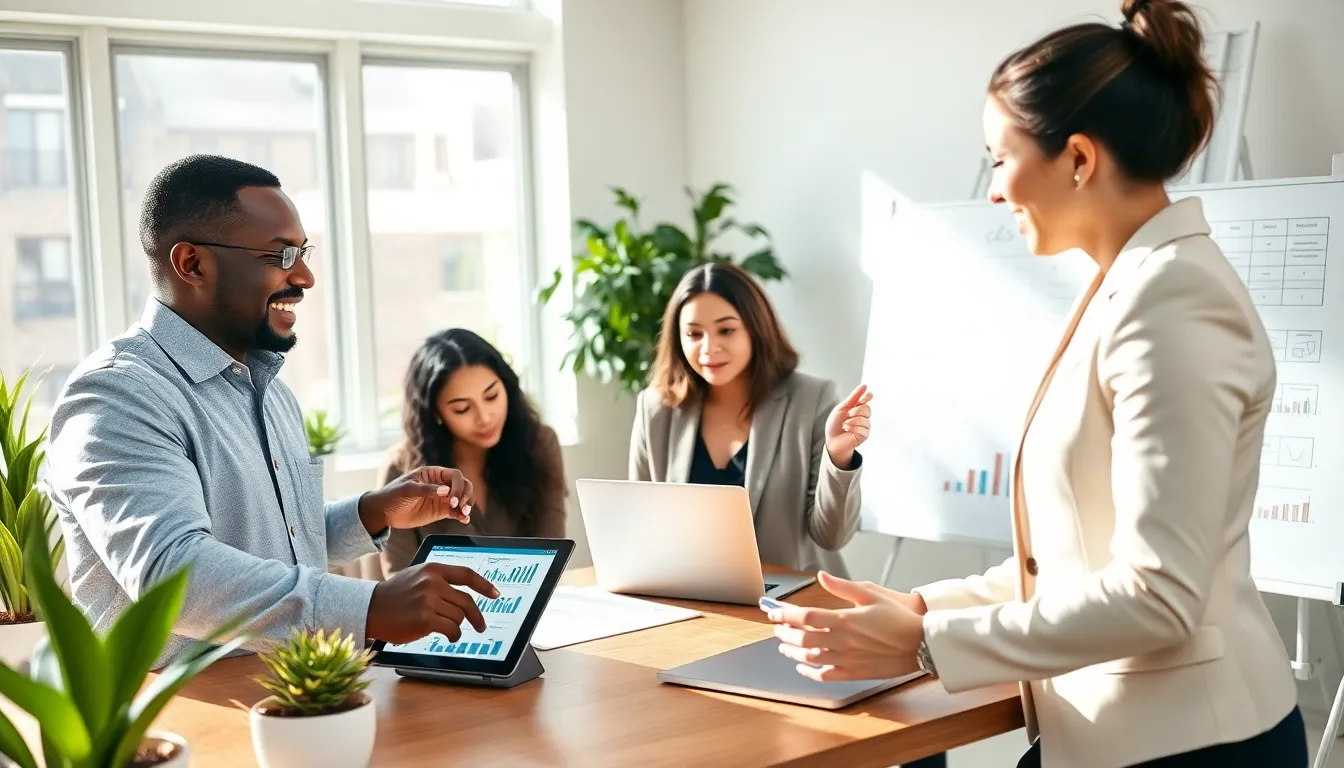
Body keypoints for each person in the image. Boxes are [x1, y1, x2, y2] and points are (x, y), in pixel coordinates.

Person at [767, 1, 1307, 766]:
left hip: (1193, 744)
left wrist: (924, 642)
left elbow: (1160, 595)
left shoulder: (1174, 301)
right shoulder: (1130, 287)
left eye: (1000, 158)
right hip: (1117, 733)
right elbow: (1072, 560)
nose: (993, 189)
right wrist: (921, 605)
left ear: (1079, 159)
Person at [45, 155, 501, 667]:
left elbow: (275, 545)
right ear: (192, 264)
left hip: (288, 688)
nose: (305, 276)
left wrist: (374, 511)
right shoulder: (116, 395)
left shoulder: (270, 391)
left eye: (303, 253)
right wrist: (370, 606)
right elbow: (171, 575)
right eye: (281, 255)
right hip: (179, 709)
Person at [629, 261, 872, 577]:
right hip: (690, 592)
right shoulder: (655, 410)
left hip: (790, 596)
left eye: (726, 330)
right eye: (694, 334)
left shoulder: (811, 399)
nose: (708, 348)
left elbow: (832, 537)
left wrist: (838, 457)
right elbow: (642, 528)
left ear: (756, 328)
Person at [379, 328, 567, 576]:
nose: (485, 417)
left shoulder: (539, 443)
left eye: (492, 396)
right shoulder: (401, 469)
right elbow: (399, 579)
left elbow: (552, 555)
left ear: (507, 386)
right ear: (435, 413)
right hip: (438, 603)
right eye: (462, 409)